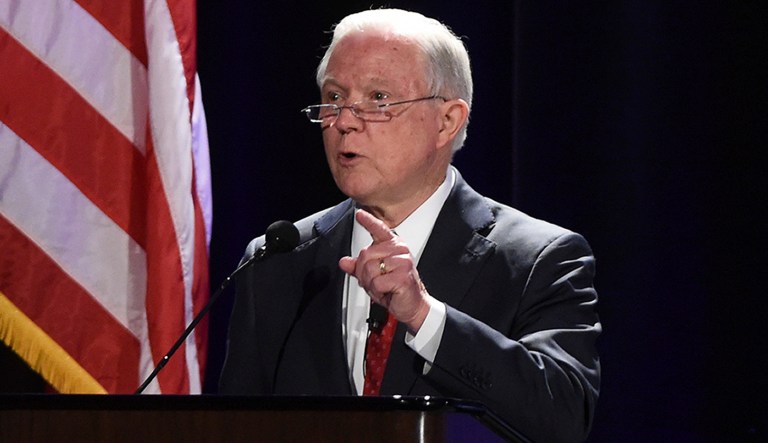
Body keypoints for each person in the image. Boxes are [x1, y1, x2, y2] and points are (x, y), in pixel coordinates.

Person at [220, 8, 600, 443]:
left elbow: (562, 419)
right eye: (335, 97)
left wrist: (425, 316)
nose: (344, 121)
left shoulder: (539, 259)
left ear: (447, 121)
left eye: (379, 98)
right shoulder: (278, 259)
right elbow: (237, 425)